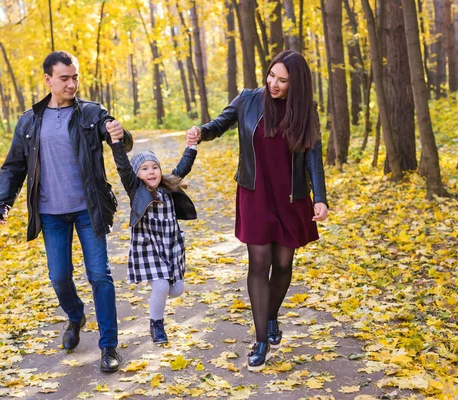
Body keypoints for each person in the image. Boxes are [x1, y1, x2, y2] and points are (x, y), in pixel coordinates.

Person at [0, 51, 133, 373]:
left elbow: (121, 139)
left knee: (100, 275)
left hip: (87, 209)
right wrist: (2, 202)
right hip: (51, 214)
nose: (71, 83)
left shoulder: (92, 114)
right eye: (64, 78)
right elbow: (14, 166)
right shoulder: (29, 121)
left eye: (75, 77)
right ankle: (75, 315)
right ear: (48, 80)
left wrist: (119, 134)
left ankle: (108, 346)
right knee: (59, 277)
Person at [186, 50, 329, 371]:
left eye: (282, 80)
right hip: (255, 193)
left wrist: (320, 196)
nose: (274, 84)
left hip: (291, 196)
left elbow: (312, 156)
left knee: (283, 263)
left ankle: (272, 315)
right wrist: (201, 132)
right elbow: (219, 123)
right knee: (259, 262)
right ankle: (262, 338)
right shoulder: (248, 100)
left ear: (296, 84)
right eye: (271, 76)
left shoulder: (306, 111)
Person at [109, 132, 197, 344]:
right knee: (161, 285)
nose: (151, 172)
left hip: (170, 244)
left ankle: (158, 294)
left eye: (154, 167)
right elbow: (122, 167)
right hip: (148, 245)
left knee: (176, 290)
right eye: (145, 168)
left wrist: (191, 146)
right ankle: (156, 325)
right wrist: (116, 143)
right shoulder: (135, 189)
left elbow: (183, 167)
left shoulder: (167, 187)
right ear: (137, 174)